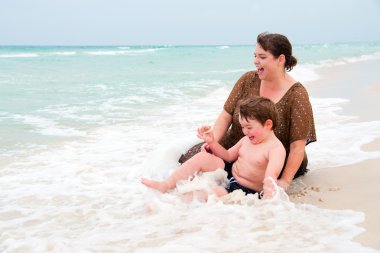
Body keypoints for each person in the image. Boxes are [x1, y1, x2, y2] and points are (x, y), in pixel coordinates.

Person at [178, 32, 316, 191]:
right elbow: (226, 116)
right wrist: (213, 140)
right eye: (255, 56)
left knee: (235, 188)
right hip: (235, 149)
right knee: (189, 163)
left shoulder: (297, 94)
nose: (255, 61)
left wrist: (285, 181)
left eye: (262, 57)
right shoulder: (248, 80)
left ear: (281, 59)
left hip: (270, 162)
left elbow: (297, 147)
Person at [141, 96, 286, 199]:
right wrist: (212, 142)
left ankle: (174, 203)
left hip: (246, 190)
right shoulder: (246, 140)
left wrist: (267, 207)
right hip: (230, 173)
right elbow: (228, 156)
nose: (245, 131)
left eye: (249, 127)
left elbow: (270, 180)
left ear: (268, 124)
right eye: (243, 127)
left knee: (212, 193)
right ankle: (165, 185)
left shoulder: (276, 150)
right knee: (202, 157)